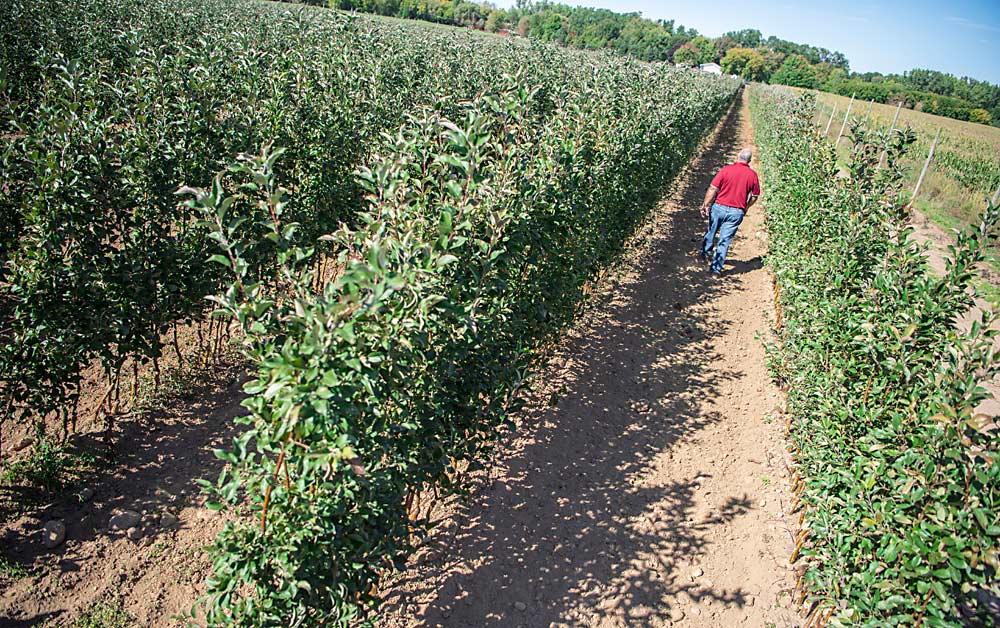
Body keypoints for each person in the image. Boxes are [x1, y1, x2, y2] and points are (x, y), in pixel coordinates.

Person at [699, 148, 760, 278]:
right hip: (736, 212)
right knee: (724, 240)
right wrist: (746, 207)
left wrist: (706, 204)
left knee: (711, 231)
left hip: (719, 208)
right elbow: (755, 195)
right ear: (749, 160)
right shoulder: (752, 175)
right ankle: (715, 270)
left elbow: (713, 188)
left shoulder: (726, 170)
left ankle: (705, 254)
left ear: (738, 157)